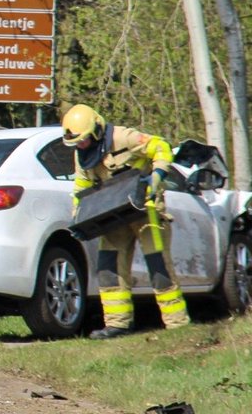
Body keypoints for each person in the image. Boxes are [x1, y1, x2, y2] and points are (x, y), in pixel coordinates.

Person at [63, 104, 190, 339]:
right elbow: (81, 187)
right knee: (108, 267)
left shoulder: (124, 137)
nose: (80, 146)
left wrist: (156, 176)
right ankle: (117, 324)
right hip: (114, 215)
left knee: (158, 266)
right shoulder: (82, 155)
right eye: (76, 143)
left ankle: (177, 324)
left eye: (83, 140)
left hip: (146, 209)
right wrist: (78, 219)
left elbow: (161, 147)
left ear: (97, 130)